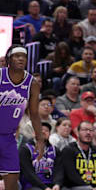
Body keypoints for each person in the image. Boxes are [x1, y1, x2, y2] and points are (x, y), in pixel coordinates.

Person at [0, 45, 44, 190]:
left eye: (23, 56)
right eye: (16, 55)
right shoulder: (0, 76)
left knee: (12, 181)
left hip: (8, 137)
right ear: (8, 59)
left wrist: (39, 139)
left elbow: (35, 114)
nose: (21, 58)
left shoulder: (32, 83)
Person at [53, 121, 96, 190]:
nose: (88, 133)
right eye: (84, 130)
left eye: (91, 130)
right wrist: (90, 188)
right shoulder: (68, 150)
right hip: (75, 187)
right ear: (77, 133)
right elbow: (71, 175)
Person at [19, 122, 61, 190]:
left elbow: (59, 170)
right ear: (34, 133)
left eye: (46, 130)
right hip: (32, 185)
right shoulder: (25, 149)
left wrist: (57, 184)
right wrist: (44, 187)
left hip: (52, 185)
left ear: (50, 134)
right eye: (40, 129)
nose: (43, 131)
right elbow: (28, 173)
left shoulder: (55, 150)